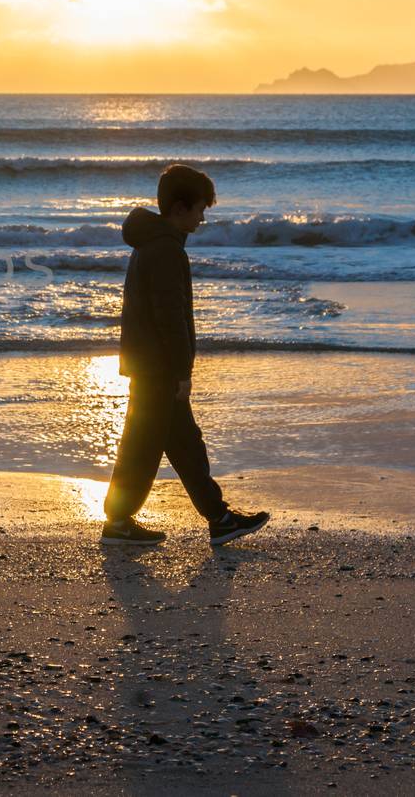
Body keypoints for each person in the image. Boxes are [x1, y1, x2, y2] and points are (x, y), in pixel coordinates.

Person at [101, 163, 269, 547]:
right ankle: (121, 521)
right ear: (179, 209)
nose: (202, 218)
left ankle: (217, 518)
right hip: (158, 367)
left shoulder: (155, 244)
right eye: (199, 211)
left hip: (149, 364)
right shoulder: (165, 251)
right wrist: (181, 371)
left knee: (180, 444)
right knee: (147, 446)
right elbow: (170, 318)